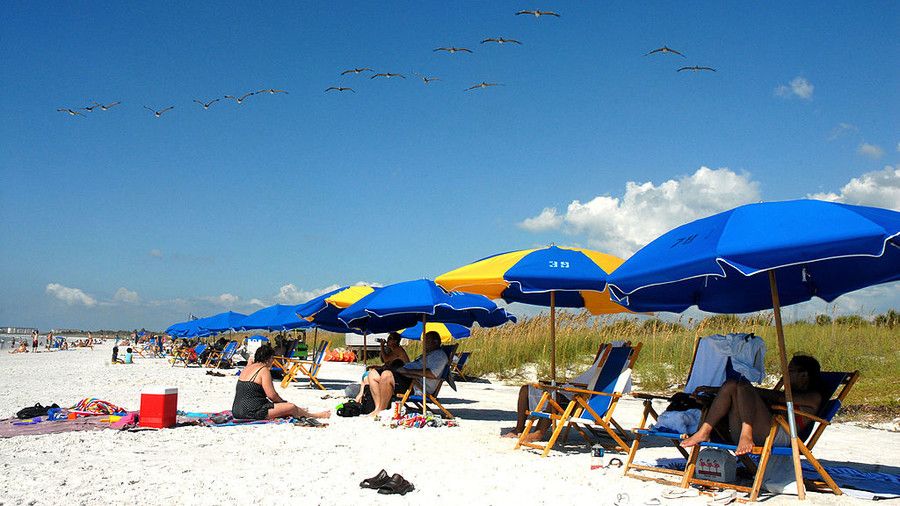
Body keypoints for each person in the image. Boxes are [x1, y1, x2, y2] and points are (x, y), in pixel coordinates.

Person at [680, 355, 824, 456]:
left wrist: (750, 390)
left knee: (743, 385)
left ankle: (747, 434)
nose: (785, 374)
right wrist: (716, 390)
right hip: (759, 431)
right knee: (731, 384)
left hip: (779, 437)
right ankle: (704, 432)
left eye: (790, 371)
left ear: (804, 375)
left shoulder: (813, 397)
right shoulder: (792, 391)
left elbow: (778, 397)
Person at [232, 344, 331, 420]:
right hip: (251, 411)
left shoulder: (247, 368)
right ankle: (315, 415)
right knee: (291, 407)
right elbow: (272, 395)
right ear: (268, 359)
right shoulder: (263, 370)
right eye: (272, 359)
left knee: (285, 407)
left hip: (236, 410)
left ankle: (301, 411)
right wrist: (283, 403)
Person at [366, 332, 448, 416]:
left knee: (387, 375)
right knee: (373, 374)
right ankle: (378, 407)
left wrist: (407, 372)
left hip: (416, 384)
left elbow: (432, 374)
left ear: (435, 342)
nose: (424, 343)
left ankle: (381, 410)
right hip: (407, 376)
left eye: (426, 340)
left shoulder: (439, 356)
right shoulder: (428, 354)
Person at [355, 332, 410, 403]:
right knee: (367, 375)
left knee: (367, 377)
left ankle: (368, 399)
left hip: (401, 380)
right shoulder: (393, 351)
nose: (387, 340)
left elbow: (386, 359)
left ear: (395, 341)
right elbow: (386, 363)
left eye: (390, 338)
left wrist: (382, 346)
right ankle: (363, 397)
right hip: (395, 376)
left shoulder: (398, 349)